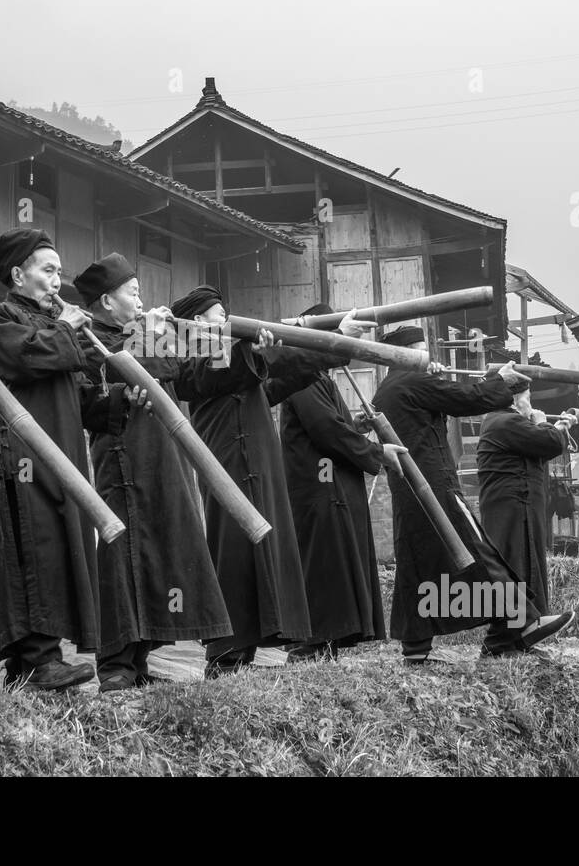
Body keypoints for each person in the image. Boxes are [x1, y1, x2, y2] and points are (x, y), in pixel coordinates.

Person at [73, 254, 231, 691]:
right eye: (133, 292)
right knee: (124, 553)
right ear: (106, 300)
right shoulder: (89, 337)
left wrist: (215, 339)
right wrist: (148, 334)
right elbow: (112, 384)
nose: (142, 301)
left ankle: (144, 653)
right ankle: (116, 661)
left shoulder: (138, 333)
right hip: (121, 458)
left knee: (165, 545)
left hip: (161, 457)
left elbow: (175, 373)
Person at [370, 327, 573, 661]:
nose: (427, 358)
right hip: (432, 483)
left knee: (419, 563)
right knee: (480, 551)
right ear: (403, 355)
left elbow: (441, 400)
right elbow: (467, 399)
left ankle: (416, 647)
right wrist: (503, 382)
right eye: (420, 352)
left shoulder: (390, 387)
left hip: (410, 486)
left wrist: (433, 378)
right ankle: (520, 622)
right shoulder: (412, 381)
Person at [170, 285, 340, 678]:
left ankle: (247, 647)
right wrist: (259, 350)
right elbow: (230, 367)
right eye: (218, 315)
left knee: (261, 554)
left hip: (258, 468)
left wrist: (337, 342)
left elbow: (278, 379)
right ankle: (225, 652)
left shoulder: (235, 360)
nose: (225, 321)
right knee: (232, 554)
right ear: (196, 323)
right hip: (228, 466)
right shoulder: (193, 358)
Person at [0, 228, 101, 691]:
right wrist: (68, 329)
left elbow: (82, 385)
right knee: (27, 543)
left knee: (54, 544)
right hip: (16, 451)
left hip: (57, 452)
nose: (57, 282)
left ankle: (42, 660)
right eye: (48, 271)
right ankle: (35, 660)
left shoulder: (55, 324)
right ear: (18, 274)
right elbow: (29, 355)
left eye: (60, 273)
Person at [278, 303, 403, 662]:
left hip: (330, 486)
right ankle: (309, 644)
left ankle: (328, 643)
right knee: (322, 564)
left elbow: (334, 423)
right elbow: (325, 429)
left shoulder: (319, 378)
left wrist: (359, 427)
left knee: (334, 563)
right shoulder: (301, 378)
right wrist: (376, 454)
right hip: (317, 488)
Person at [477, 389, 575, 616]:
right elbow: (548, 442)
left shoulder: (501, 422)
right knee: (517, 567)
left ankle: (527, 629)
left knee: (519, 566)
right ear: (515, 400)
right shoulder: (506, 421)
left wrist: (560, 428)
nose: (531, 405)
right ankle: (515, 631)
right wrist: (544, 424)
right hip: (513, 506)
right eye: (528, 399)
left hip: (514, 505)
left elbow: (539, 446)